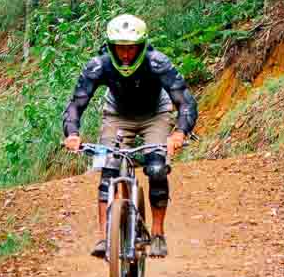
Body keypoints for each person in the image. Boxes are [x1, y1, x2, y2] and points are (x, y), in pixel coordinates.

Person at [62, 14, 197, 260]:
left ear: (142, 46)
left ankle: (157, 234)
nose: (125, 55)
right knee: (107, 169)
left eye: (131, 48)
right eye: (120, 48)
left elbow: (185, 102)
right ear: (111, 47)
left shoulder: (158, 63)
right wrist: (72, 134)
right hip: (117, 115)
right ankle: (105, 238)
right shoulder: (98, 65)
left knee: (156, 168)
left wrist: (179, 132)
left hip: (155, 114)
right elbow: (76, 103)